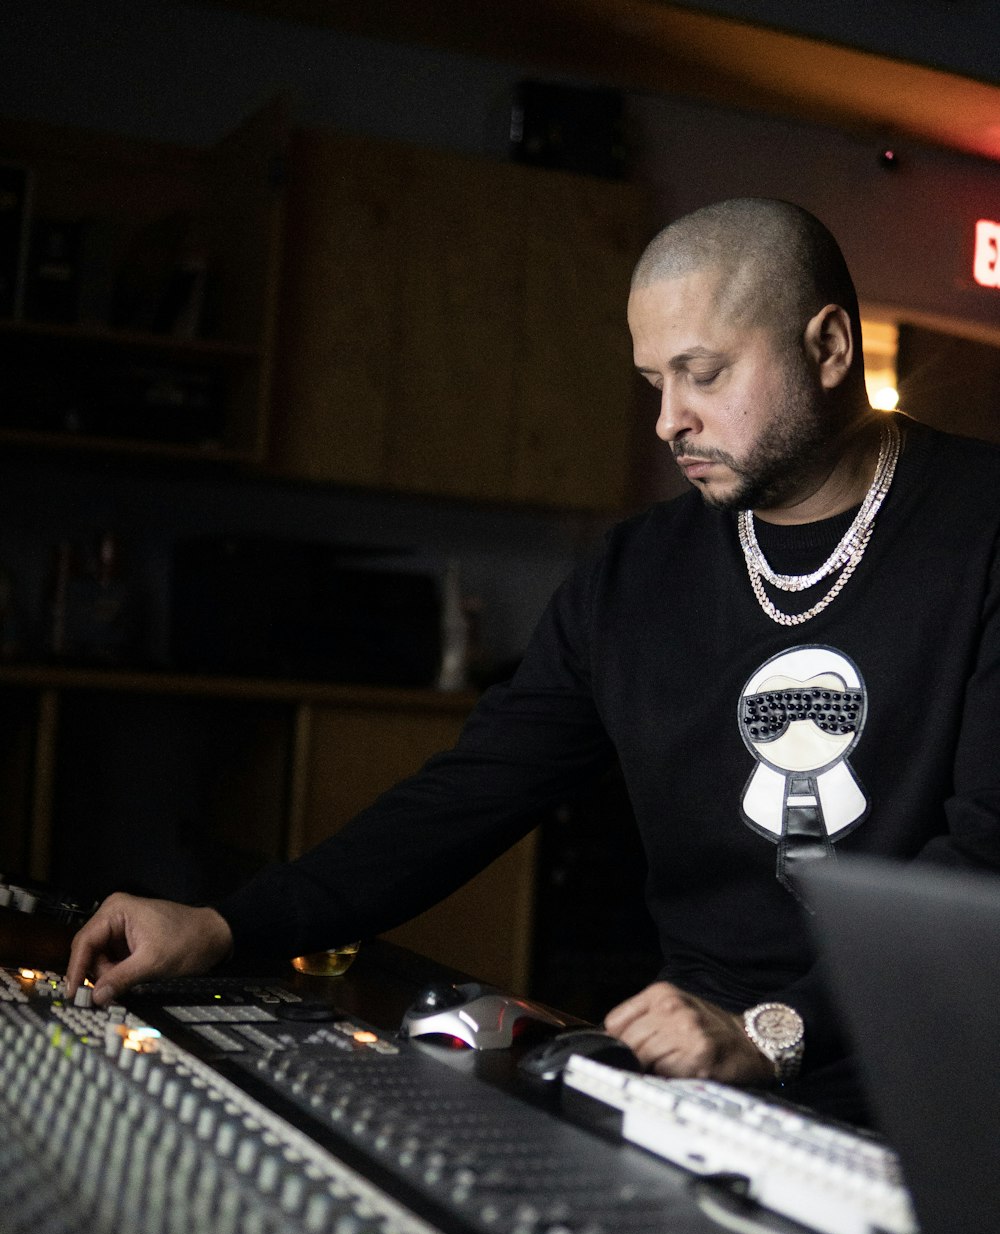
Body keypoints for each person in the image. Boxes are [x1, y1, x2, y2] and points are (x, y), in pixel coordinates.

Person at [66, 198, 1000, 1116]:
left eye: (702, 374)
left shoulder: (982, 524)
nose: (668, 421)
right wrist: (229, 924)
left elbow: (986, 850)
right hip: (704, 1084)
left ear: (829, 348)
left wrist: (777, 1030)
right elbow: (477, 787)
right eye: (653, 384)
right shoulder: (636, 574)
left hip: (937, 1086)